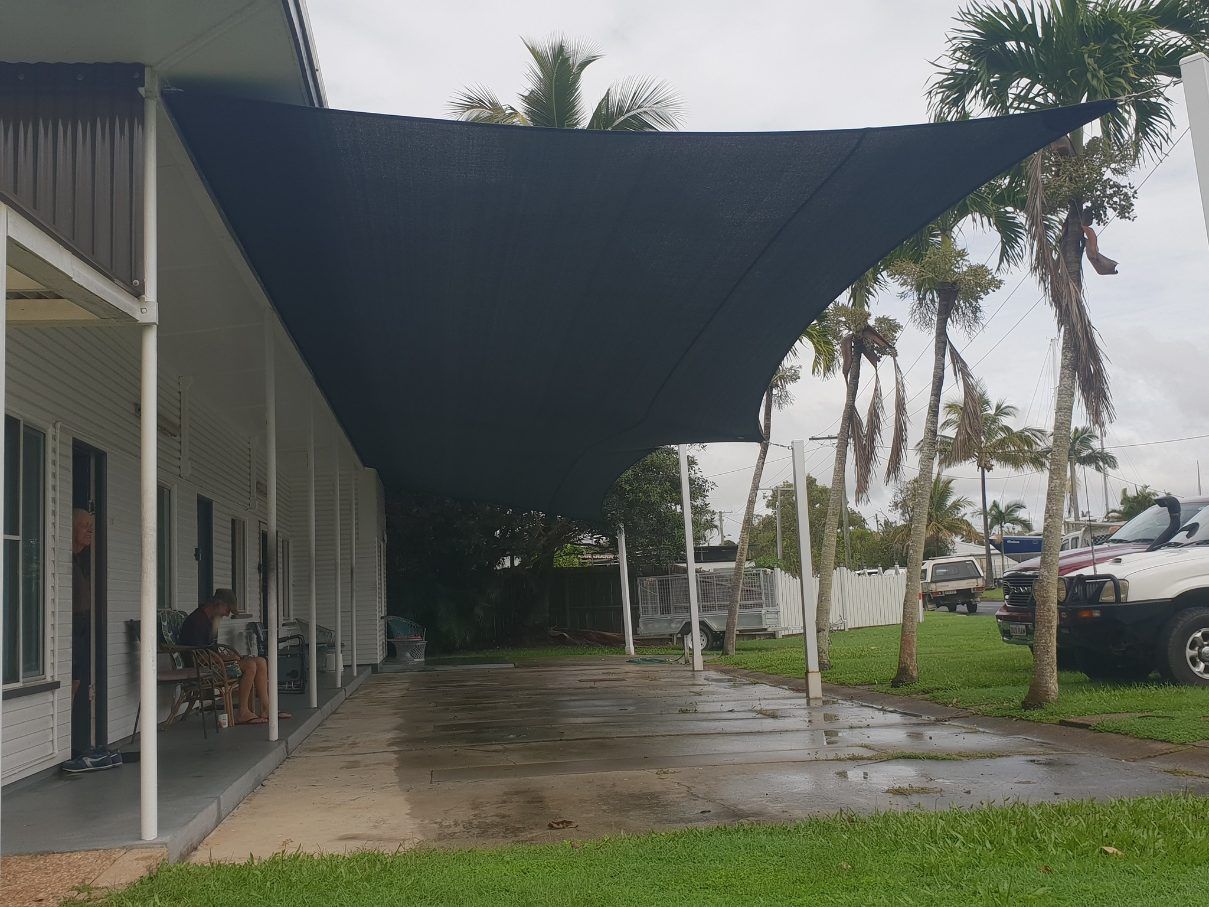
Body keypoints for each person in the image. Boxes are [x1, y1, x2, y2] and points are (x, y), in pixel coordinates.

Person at [178, 589, 292, 726]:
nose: (227, 614)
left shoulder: (213, 620)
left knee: (260, 661)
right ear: (218, 604)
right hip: (201, 668)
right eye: (228, 609)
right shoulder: (196, 621)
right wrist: (226, 658)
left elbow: (211, 649)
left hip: (213, 662)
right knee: (250, 665)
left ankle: (266, 708)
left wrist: (230, 656)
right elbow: (199, 656)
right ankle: (242, 712)